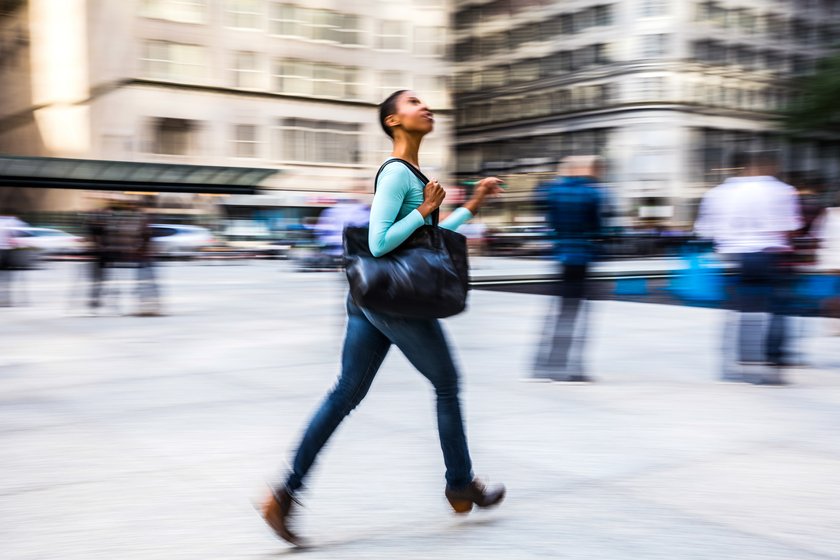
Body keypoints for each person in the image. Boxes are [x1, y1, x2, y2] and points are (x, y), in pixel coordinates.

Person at [261, 90, 506, 546]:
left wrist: (473, 203)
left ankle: (284, 495)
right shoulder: (396, 173)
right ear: (394, 121)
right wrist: (423, 210)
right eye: (415, 103)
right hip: (394, 301)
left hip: (372, 298)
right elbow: (380, 243)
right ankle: (459, 483)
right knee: (447, 384)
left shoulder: (414, 174)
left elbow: (430, 237)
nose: (426, 107)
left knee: (344, 394)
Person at [695, 151, 802, 384]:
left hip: (732, 257)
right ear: (765, 167)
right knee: (777, 308)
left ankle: (739, 363)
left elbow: (704, 230)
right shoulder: (781, 190)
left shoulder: (718, 193)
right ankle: (773, 364)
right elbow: (791, 226)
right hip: (769, 255)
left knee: (736, 309)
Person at [532, 156, 604, 382]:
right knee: (576, 314)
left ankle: (544, 365)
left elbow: (547, 217)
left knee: (558, 312)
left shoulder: (552, 191)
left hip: (561, 255)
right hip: (582, 257)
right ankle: (573, 368)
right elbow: (598, 227)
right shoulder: (592, 193)